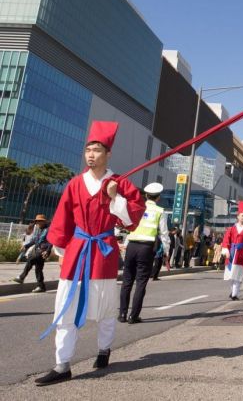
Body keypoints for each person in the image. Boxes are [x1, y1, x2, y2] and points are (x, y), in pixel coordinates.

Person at [34, 121, 145, 386]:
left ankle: (104, 348)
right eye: (88, 150)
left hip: (103, 253)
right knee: (65, 309)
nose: (91, 155)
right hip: (77, 251)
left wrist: (115, 198)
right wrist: (59, 248)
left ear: (108, 154)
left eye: (96, 150)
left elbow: (133, 218)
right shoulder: (74, 184)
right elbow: (63, 218)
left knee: (106, 308)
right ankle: (62, 365)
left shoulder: (119, 183)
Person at [119, 182, 169, 323]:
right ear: (158, 197)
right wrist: (166, 252)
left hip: (132, 246)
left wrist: (126, 245)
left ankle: (122, 314)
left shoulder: (136, 207)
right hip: (146, 248)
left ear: (146, 195)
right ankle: (133, 316)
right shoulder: (160, 211)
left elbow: (129, 227)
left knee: (127, 280)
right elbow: (164, 235)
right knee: (141, 282)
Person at [221, 201, 243, 300]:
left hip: (241, 255)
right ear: (238, 217)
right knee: (231, 275)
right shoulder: (231, 229)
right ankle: (233, 292)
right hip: (231, 254)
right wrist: (226, 249)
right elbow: (226, 239)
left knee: (238, 275)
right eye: (242, 216)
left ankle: (235, 294)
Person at [12, 214, 51, 292]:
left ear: (44, 222)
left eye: (40, 221)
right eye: (37, 221)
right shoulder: (37, 229)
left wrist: (48, 251)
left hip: (43, 251)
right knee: (38, 269)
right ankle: (41, 286)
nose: (38, 223)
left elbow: (51, 241)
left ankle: (22, 277)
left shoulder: (48, 230)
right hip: (37, 249)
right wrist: (26, 246)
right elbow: (34, 241)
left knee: (31, 259)